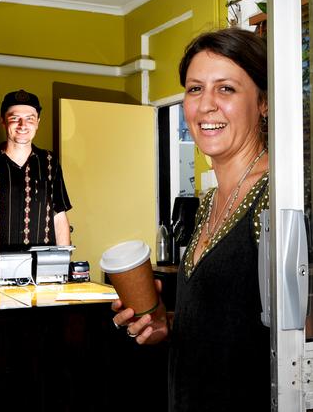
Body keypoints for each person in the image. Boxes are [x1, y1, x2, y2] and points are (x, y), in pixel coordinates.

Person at [112, 28, 270, 411]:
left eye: (226, 89)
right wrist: (168, 322)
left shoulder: (276, 198)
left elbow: (305, 345)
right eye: (195, 89)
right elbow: (232, 316)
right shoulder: (208, 202)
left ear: (264, 101)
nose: (206, 105)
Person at [0, 89, 72, 280]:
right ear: (3, 120)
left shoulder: (49, 161)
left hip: (41, 273)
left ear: (38, 122)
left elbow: (59, 216)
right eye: (15, 118)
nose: (23, 125)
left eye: (30, 118)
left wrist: (63, 267)